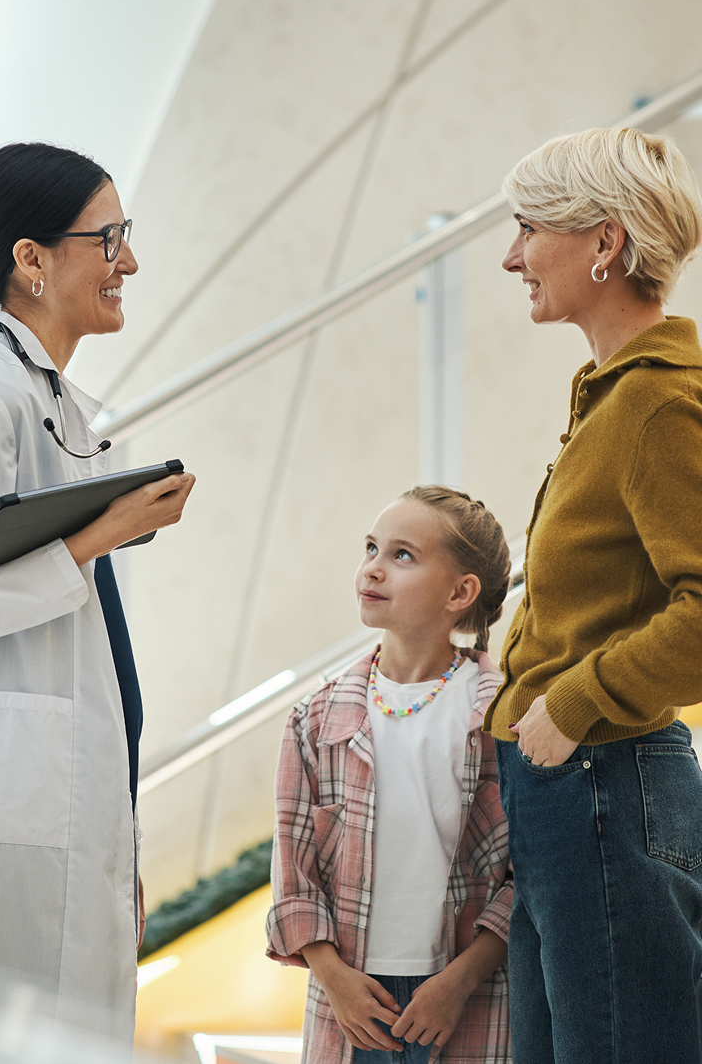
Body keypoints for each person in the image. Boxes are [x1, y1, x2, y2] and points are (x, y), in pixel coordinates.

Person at [485, 126, 702, 1064]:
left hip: (607, 779)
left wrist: (570, 703)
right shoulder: (611, 398)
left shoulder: (660, 404)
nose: (510, 256)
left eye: (528, 227)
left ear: (605, 244)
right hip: (571, 789)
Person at [0, 142, 195, 1039]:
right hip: (14, 812)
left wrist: (119, 839)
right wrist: (100, 534)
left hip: (65, 807)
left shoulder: (57, 405)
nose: (130, 263)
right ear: (31, 259)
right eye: (109, 239)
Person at [266, 485, 513, 1064]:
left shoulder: (502, 716)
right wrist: (336, 982)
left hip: (468, 999)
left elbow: (527, 875)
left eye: (402, 555)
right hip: (351, 1004)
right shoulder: (315, 717)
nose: (373, 568)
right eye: (372, 548)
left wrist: (458, 982)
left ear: (461, 592)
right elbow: (294, 873)